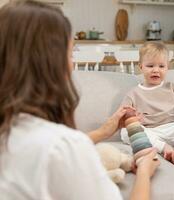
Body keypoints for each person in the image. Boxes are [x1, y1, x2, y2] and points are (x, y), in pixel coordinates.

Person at [0, 1, 159, 200]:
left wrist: (102, 132)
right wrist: (144, 172)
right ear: (51, 64)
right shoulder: (63, 146)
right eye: (70, 53)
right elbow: (58, 149)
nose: (72, 63)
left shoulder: (17, 133)